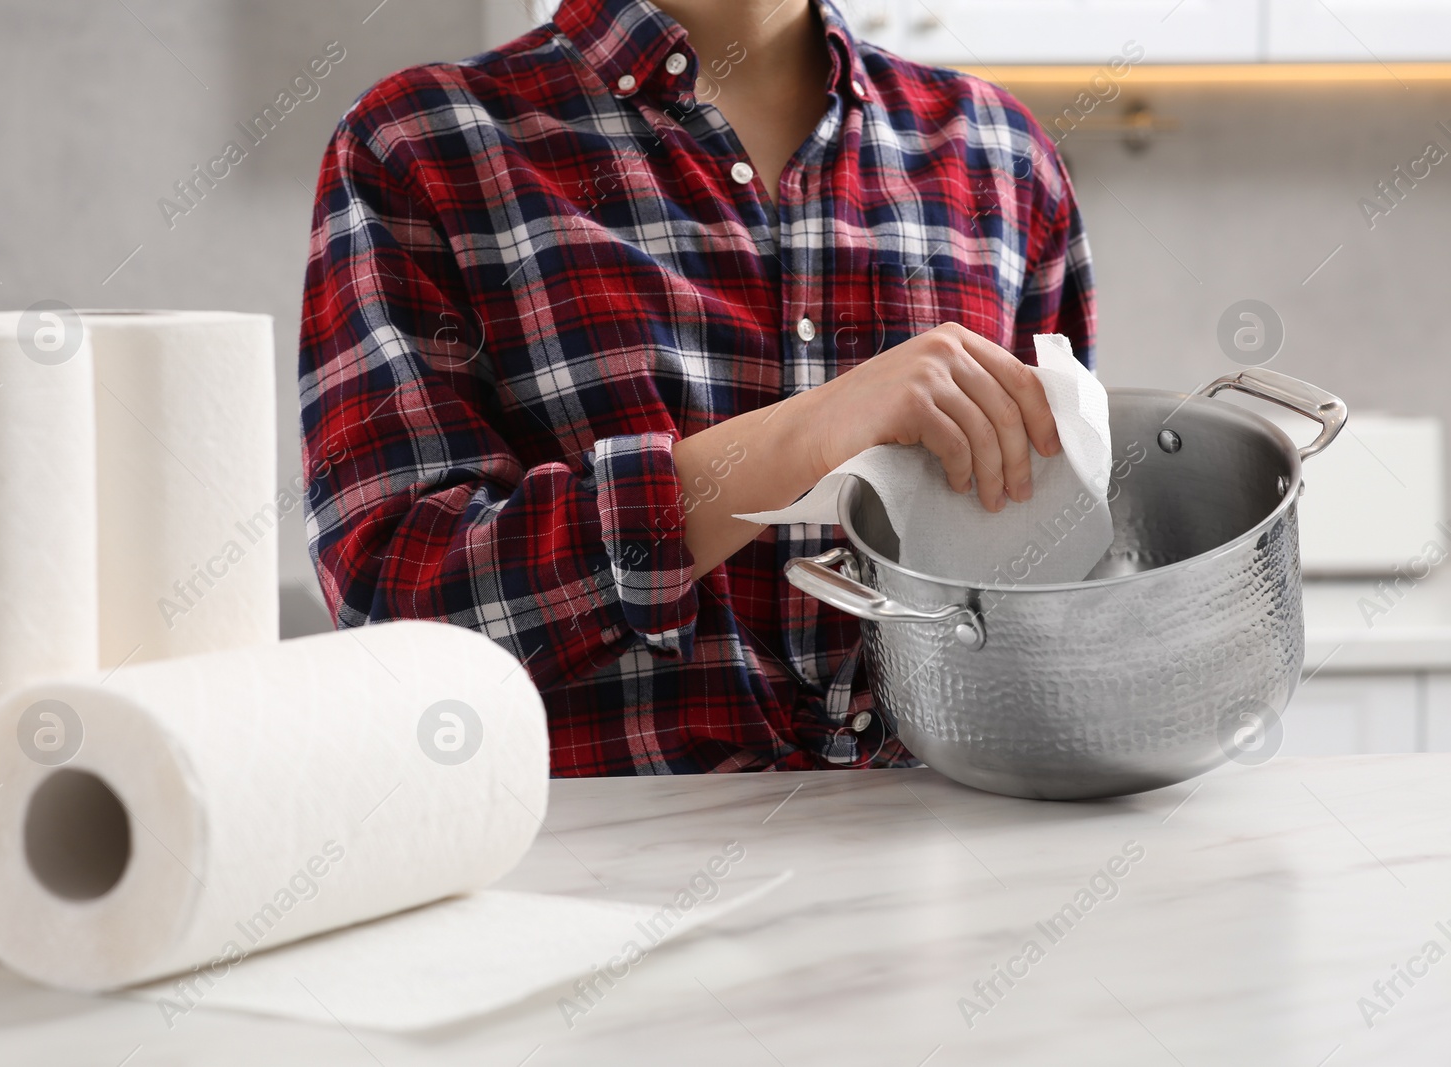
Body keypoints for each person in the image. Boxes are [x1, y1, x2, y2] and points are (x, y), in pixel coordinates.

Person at [299, 0, 1096, 774]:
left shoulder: (1002, 154)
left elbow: (1066, 567)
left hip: (955, 863)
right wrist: (804, 438)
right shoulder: (423, 142)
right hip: (583, 880)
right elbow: (395, 621)